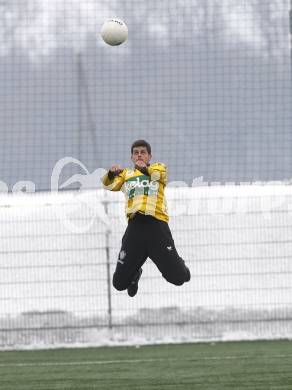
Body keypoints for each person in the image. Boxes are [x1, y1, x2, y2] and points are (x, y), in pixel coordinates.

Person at [102, 139, 191, 297]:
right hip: (135, 228)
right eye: (136, 153)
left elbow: (158, 175)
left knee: (179, 278)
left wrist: (144, 169)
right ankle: (135, 274)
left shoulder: (158, 168)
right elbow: (108, 185)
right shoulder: (126, 175)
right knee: (119, 284)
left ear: (150, 156)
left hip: (156, 226)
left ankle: (179, 263)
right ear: (131, 158)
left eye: (143, 152)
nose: (139, 155)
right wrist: (111, 173)